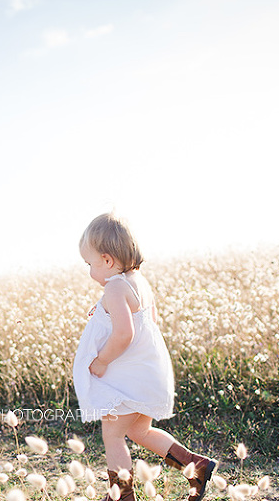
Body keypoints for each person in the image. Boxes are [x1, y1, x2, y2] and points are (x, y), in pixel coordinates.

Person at [73, 213, 217, 501]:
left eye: (90, 264)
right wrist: (103, 309)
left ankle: (122, 496)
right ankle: (196, 466)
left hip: (126, 380)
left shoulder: (114, 287)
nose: (90, 271)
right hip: (147, 372)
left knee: (113, 436)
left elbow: (124, 334)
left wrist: (101, 360)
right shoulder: (138, 282)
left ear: (107, 260)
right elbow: (148, 322)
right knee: (140, 430)